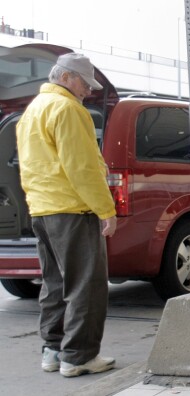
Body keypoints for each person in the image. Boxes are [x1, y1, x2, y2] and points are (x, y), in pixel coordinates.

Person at [16, 53, 117, 377]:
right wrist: (106, 210)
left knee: (55, 284)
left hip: (43, 210)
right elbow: (82, 168)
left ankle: (53, 350)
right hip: (74, 209)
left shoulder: (31, 111)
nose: (88, 90)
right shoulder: (69, 110)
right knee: (86, 285)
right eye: (85, 83)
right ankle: (79, 356)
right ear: (67, 78)